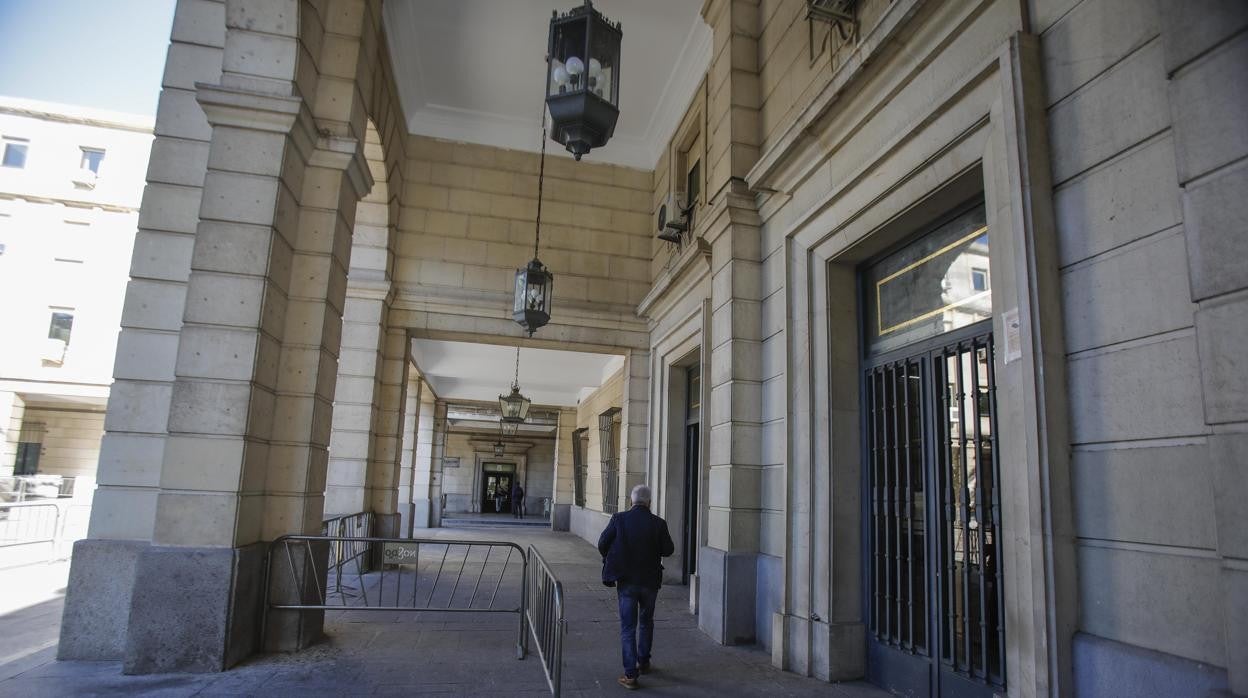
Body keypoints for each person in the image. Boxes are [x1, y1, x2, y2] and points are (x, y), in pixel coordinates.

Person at [597, 484, 674, 690]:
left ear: (631, 501)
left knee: (628, 627)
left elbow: (602, 542)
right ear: (649, 502)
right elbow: (668, 550)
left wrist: (611, 556)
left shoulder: (619, 519)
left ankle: (630, 674)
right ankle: (644, 662)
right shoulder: (658, 523)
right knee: (646, 622)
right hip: (650, 582)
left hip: (627, 581)